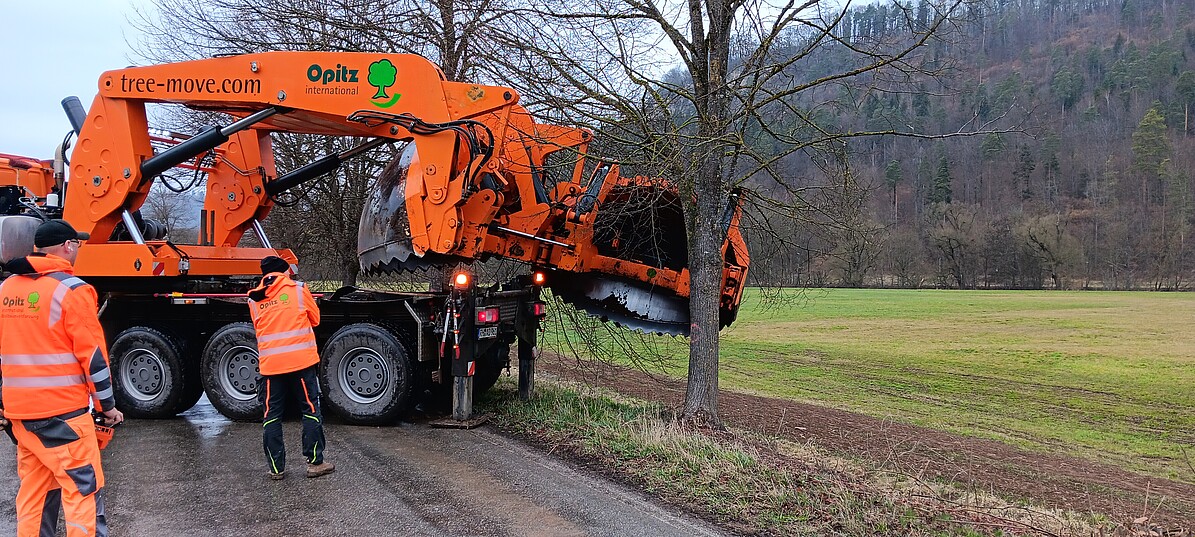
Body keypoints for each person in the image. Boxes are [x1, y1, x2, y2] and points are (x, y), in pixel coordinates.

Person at [0, 218, 124, 537]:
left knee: (36, 497)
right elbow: (93, 357)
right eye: (78, 244)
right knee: (82, 493)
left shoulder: (6, 289)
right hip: (63, 416)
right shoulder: (72, 290)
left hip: (21, 415)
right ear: (68, 247)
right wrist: (107, 406)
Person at [248, 256, 334, 480]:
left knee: (271, 416)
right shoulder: (297, 290)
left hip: (271, 368)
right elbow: (315, 319)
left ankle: (276, 469)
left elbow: (258, 326)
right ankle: (315, 463)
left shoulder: (254, 298)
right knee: (310, 410)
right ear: (283, 271)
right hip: (301, 364)